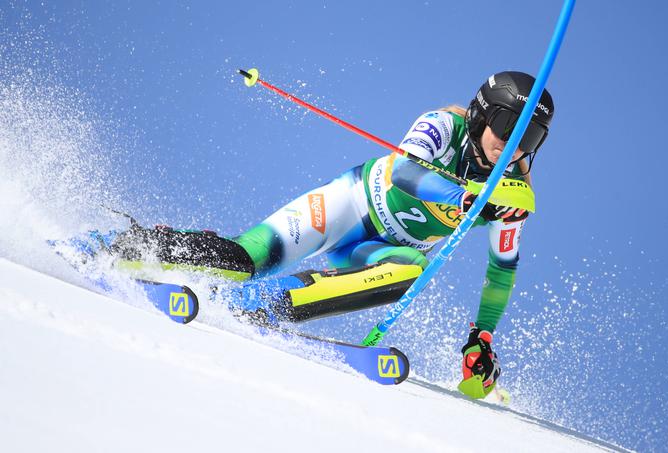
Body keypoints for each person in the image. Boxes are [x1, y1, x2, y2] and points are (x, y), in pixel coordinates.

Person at [104, 71, 554, 394]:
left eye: (530, 136)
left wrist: (483, 336)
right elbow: (405, 175)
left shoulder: (514, 196)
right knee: (244, 260)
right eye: (506, 126)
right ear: (480, 115)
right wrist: (463, 197)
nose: (514, 143)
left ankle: (261, 306)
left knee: (412, 272)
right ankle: (131, 245)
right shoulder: (444, 125)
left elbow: (501, 271)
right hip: (347, 205)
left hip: (380, 252)